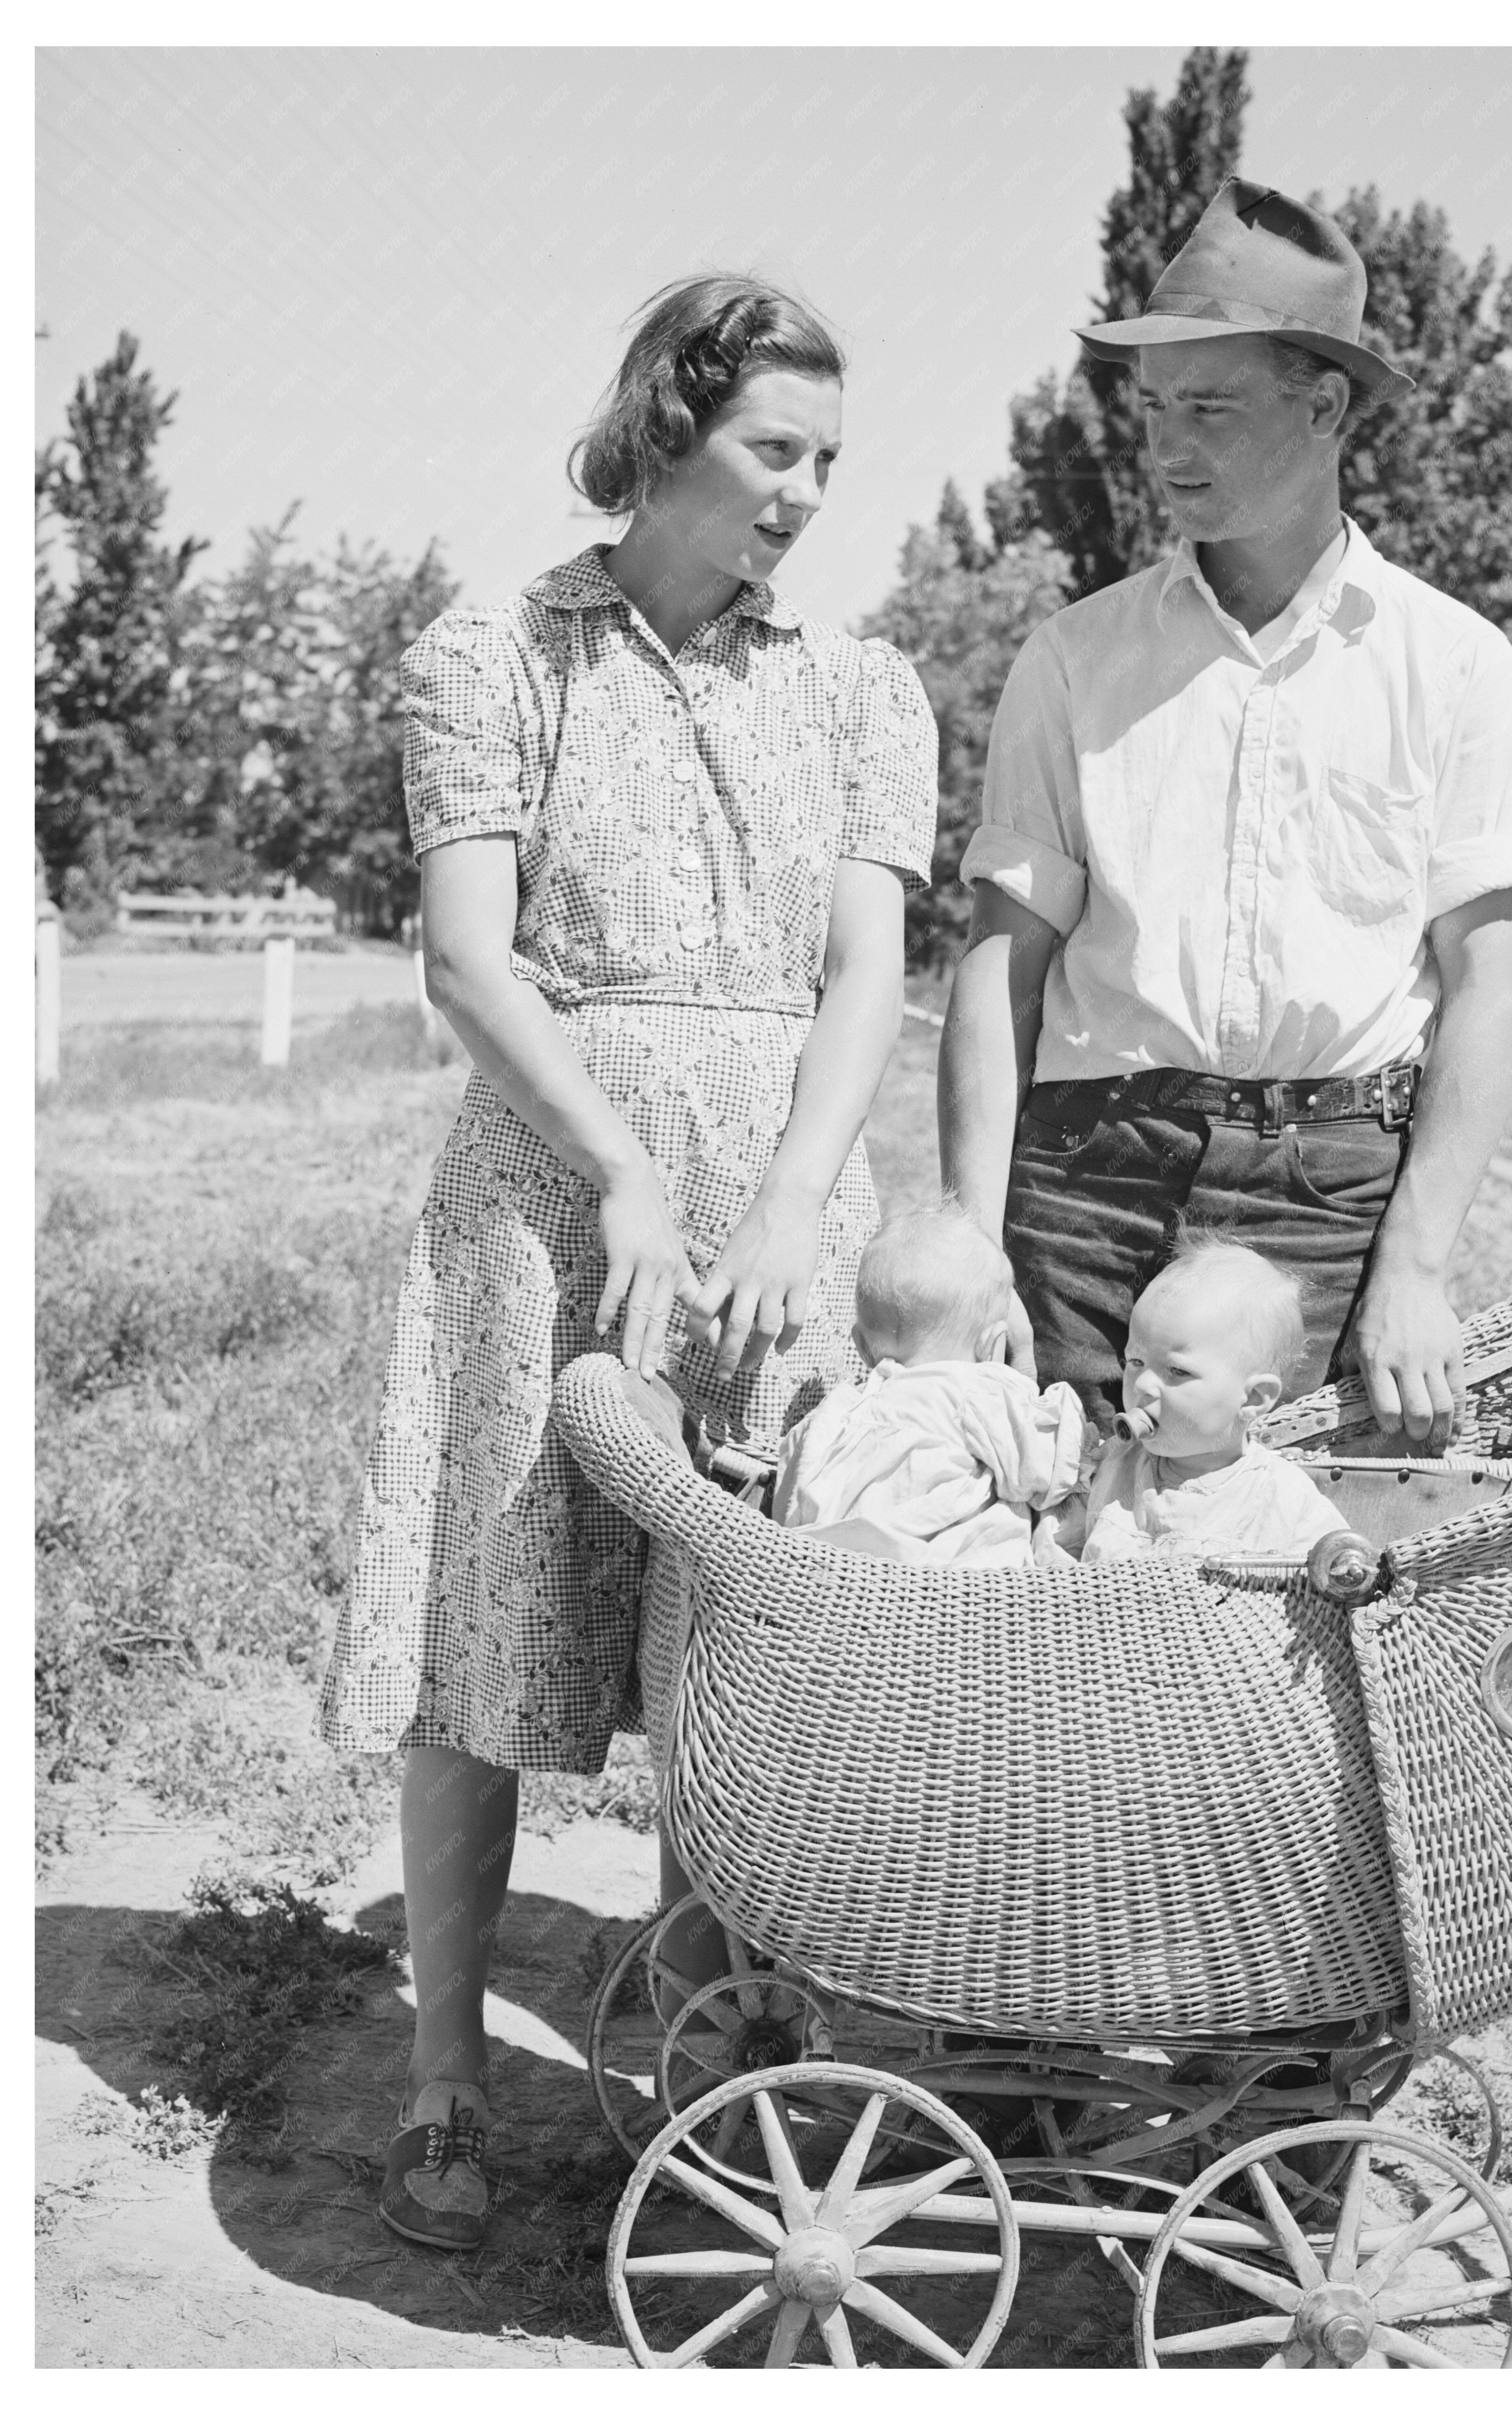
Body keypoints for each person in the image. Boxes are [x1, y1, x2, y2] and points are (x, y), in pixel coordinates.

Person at [315, 273, 936, 2249]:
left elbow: (864, 978)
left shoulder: (864, 689)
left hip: (775, 1214)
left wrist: (778, 1203)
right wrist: (621, 1181)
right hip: (539, 1195)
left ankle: (713, 2058)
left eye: (829, 462)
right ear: (668, 427)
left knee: (748, 1644)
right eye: (775, 449)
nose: (804, 495)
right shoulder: (492, 651)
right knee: (486, 1646)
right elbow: (467, 962)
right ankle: (440, 2085)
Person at [939, 177, 1512, 1455]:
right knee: (1053, 1548)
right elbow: (1002, 969)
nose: (1169, 447)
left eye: (1210, 408)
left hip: (1328, 1195)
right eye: (1156, 408)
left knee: (1278, 1581)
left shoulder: (1456, 667)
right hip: (1080, 1182)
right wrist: (967, 1244)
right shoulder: (1071, 661)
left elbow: (1487, 991)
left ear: (1324, 403)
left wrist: (1419, 1268)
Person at [771, 1206, 1090, 1565]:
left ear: (860, 1346)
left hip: (837, 1585)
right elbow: (1051, 1467)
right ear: (992, 1344)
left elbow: (787, 1505)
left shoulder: (831, 1415)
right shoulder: (973, 1390)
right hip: (952, 1595)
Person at [1072, 1235, 1347, 1565]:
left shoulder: (1284, 1499)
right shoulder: (1111, 1466)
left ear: (1254, 1398)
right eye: (1136, 1362)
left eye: (1176, 1370)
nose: (1143, 1384)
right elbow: (1056, 1553)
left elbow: (1337, 1578)